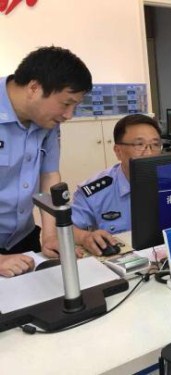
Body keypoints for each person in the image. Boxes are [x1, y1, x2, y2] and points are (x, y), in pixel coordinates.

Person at [0, 46, 92, 277]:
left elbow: (49, 176)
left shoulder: (46, 123)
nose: (69, 115)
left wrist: (51, 235)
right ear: (34, 88)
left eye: (75, 106)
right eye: (66, 103)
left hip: (22, 238)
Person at [71, 114, 162, 256]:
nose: (149, 153)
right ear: (118, 151)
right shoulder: (95, 191)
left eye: (155, 144)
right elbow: (66, 229)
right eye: (139, 145)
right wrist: (85, 237)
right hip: (120, 263)